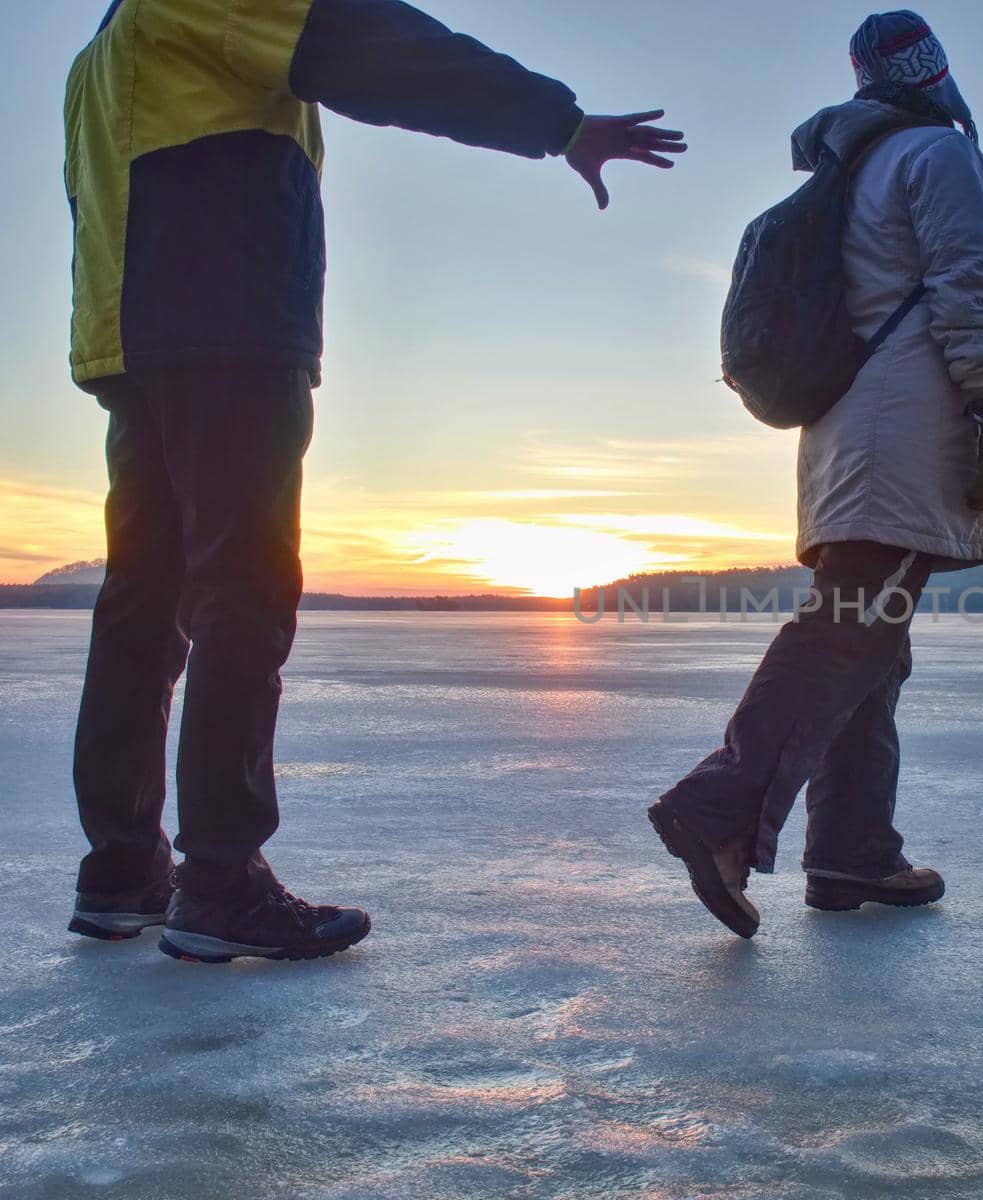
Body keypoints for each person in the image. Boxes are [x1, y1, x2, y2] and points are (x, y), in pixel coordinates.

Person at [64, 0, 685, 963]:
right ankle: (220, 879)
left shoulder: (104, 44)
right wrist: (555, 122)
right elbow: (372, 46)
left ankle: (120, 869)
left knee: (142, 601)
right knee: (243, 589)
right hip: (226, 318)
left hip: (133, 336)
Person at [648, 11, 983, 938]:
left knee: (873, 649)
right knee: (849, 635)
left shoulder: (847, 170)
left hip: (844, 435)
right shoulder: (934, 153)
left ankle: (852, 852)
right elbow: (968, 283)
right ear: (931, 73)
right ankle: (720, 806)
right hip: (903, 432)